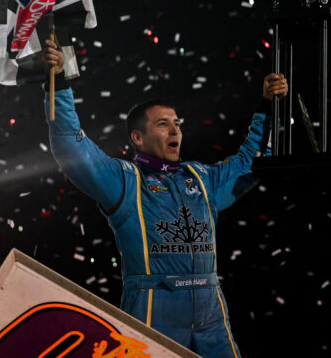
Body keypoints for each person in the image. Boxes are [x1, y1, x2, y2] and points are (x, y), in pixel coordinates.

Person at [41, 39, 288, 358]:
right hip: (154, 309)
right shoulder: (124, 181)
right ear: (137, 138)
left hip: (210, 309)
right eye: (163, 124)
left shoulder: (200, 177)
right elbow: (71, 148)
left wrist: (268, 105)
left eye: (177, 124)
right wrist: (59, 83)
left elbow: (252, 161)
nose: (175, 131)